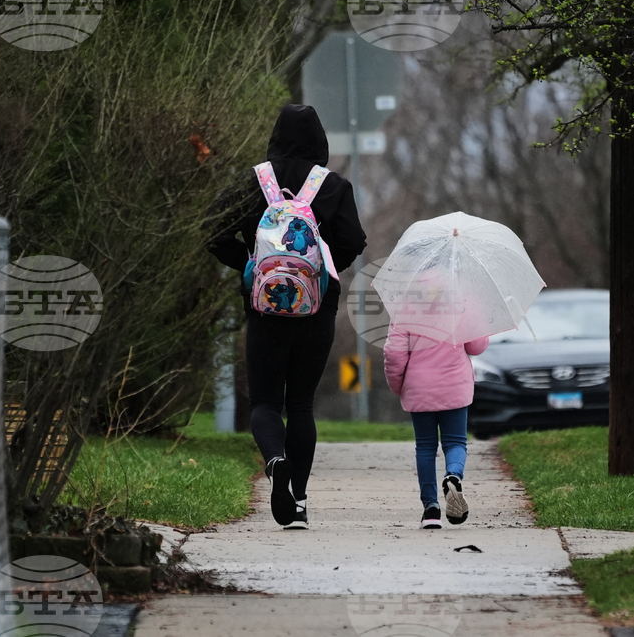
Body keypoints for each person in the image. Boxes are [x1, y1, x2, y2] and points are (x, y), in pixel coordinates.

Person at [207, 104, 367, 529]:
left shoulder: (253, 180)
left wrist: (248, 266)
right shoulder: (332, 185)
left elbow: (214, 231)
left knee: (264, 401)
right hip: (316, 311)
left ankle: (275, 460)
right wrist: (323, 270)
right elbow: (354, 241)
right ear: (320, 141)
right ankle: (297, 501)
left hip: (264, 309)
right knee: (300, 404)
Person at [383, 326, 490, 529]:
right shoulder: (461, 303)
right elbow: (476, 346)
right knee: (455, 442)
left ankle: (431, 509)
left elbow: (393, 354)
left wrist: (399, 385)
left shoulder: (405, 308)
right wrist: (479, 320)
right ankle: (453, 475)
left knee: (425, 447)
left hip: (419, 384)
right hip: (455, 384)